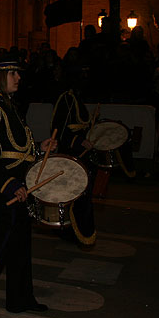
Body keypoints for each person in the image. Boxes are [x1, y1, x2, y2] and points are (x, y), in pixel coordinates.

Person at [0, 60, 56, 313]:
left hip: (21, 187)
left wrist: (40, 147)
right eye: (12, 73)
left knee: (20, 244)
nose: (18, 77)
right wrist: (9, 185)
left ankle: (20, 299)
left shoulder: (9, 106)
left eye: (18, 73)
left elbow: (17, 149)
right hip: (8, 190)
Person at [50, 86, 97, 248]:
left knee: (83, 197)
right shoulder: (67, 99)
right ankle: (72, 231)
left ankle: (80, 231)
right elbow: (60, 131)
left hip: (81, 156)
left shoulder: (77, 98)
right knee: (73, 196)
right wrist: (77, 141)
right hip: (71, 157)